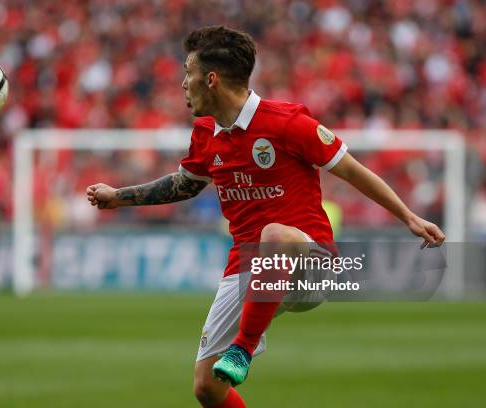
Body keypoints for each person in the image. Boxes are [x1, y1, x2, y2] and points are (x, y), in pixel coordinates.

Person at [86, 26, 445, 408]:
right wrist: (118, 198)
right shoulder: (205, 133)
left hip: (310, 260)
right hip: (248, 264)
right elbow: (184, 185)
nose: (181, 83)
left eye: (188, 72)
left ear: (211, 79)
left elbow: (353, 170)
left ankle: (243, 348)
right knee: (207, 388)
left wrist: (408, 217)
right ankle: (237, 350)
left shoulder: (288, 122)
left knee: (275, 234)